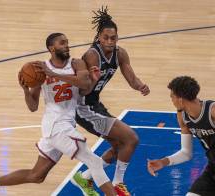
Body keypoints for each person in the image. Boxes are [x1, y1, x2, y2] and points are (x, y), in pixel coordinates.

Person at [0, 33, 116, 196]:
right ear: (52, 48)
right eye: (62, 43)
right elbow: (33, 106)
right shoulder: (39, 69)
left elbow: (84, 87)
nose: (67, 45)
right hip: (56, 126)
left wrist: (91, 80)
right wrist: (25, 90)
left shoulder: (76, 64)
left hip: (65, 124)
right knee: (93, 161)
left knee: (36, 175)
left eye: (67, 42)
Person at [71, 6, 150, 196]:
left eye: (113, 38)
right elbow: (83, 88)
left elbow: (131, 78)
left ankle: (85, 177)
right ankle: (118, 183)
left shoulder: (120, 54)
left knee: (119, 146)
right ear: (99, 37)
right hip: (82, 107)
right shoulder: (92, 55)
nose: (109, 41)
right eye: (105, 37)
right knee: (131, 138)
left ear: (117, 38)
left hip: (95, 105)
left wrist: (140, 86)